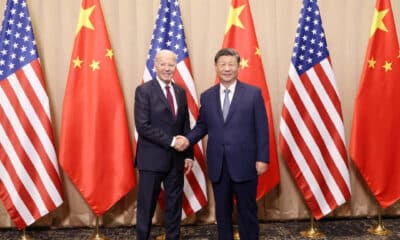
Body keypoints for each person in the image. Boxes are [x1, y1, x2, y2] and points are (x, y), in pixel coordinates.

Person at [178, 48, 269, 240]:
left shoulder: (253, 94)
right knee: (222, 213)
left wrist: (262, 158)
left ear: (238, 67)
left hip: (246, 163)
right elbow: (202, 126)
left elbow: (262, 128)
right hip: (219, 164)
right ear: (216, 67)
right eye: (222, 65)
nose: (227, 68)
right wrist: (187, 139)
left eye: (231, 65)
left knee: (247, 212)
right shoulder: (207, 96)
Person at [134, 49, 193, 240]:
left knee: (174, 205)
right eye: (163, 64)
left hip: (176, 160)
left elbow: (185, 124)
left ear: (175, 66)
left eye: (171, 65)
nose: (167, 68)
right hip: (151, 160)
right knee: (146, 207)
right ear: (155, 66)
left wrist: (188, 154)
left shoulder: (180, 92)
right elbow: (142, 126)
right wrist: (171, 141)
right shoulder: (144, 90)